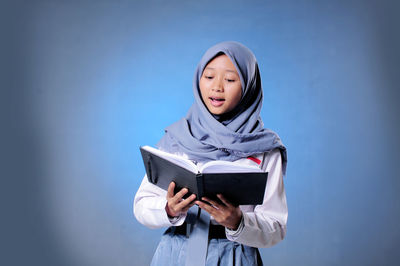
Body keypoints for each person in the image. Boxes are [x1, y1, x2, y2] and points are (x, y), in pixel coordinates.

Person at [134, 41, 288, 266]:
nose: (217, 87)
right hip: (175, 254)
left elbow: (276, 226)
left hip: (234, 257)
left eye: (230, 79)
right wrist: (168, 209)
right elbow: (141, 205)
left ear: (248, 86)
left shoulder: (265, 149)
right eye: (208, 77)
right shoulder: (177, 138)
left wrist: (238, 221)